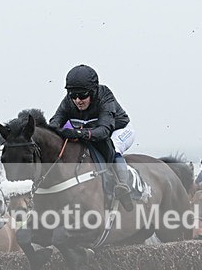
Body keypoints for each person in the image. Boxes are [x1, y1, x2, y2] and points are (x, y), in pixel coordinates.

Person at [48, 64, 136, 211]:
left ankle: (123, 186)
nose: (78, 100)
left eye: (82, 95)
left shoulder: (105, 97)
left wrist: (78, 133)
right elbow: (54, 123)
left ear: (93, 92)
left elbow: (104, 131)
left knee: (114, 147)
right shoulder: (69, 101)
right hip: (91, 130)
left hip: (117, 130)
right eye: (73, 96)